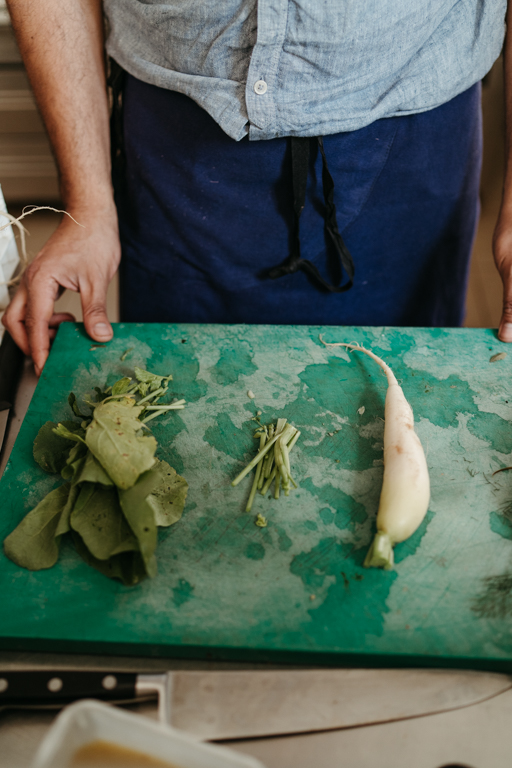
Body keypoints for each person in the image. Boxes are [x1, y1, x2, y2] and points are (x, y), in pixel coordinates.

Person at [2, 0, 511, 378]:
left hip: (410, 131)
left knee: (400, 405)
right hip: (178, 147)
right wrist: (87, 203)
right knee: (180, 407)